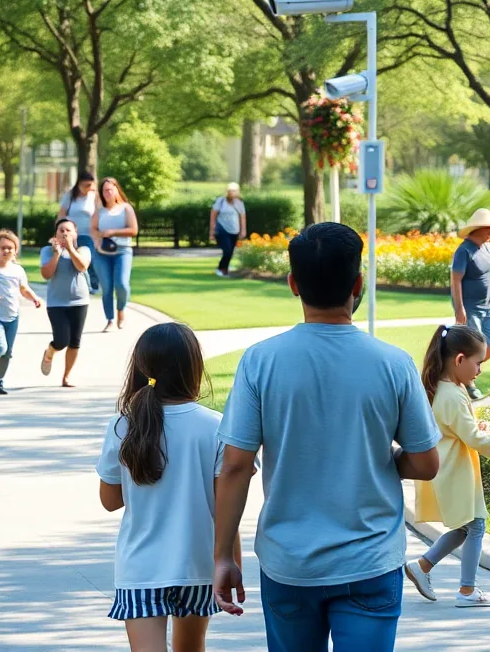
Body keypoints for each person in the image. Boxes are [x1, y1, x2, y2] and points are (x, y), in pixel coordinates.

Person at [212, 222, 441, 652]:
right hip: (370, 560)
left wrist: (223, 555)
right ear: (358, 284)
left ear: (293, 284)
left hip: (288, 563)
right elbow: (427, 463)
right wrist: (384, 457)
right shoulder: (394, 363)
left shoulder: (260, 362)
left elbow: (236, 465)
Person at [95, 322, 238, 652]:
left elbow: (109, 500)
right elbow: (226, 506)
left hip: (141, 568)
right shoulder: (215, 427)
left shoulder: (123, 425)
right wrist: (232, 565)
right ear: (193, 367)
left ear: (142, 367)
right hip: (198, 567)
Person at [404, 324, 490, 608]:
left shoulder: (446, 387)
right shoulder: (451, 394)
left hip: (452, 467)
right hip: (453, 469)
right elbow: (472, 436)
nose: (480, 370)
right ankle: (466, 590)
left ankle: (423, 566)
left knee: (467, 526)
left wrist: (478, 430)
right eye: (478, 363)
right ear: (460, 360)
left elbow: (462, 429)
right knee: (475, 526)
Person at [450, 208, 490, 401]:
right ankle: (468, 382)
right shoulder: (464, 251)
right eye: (489, 228)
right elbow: (455, 280)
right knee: (474, 347)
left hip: (489, 306)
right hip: (470, 307)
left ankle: (463, 369)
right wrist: (460, 309)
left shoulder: (487, 247)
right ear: (477, 229)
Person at [0, 230, 42, 395]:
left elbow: (24, 289)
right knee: (0, 348)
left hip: (13, 317)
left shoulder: (18, 270)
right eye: (3, 247)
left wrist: (34, 298)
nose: (7, 251)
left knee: (8, 352)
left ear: (15, 250)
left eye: (11, 248)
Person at [40, 218, 92, 387]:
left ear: (75, 233)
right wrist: (57, 253)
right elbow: (46, 274)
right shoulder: (47, 251)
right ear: (55, 234)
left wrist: (69, 248)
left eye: (68, 230)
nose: (65, 233)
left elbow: (82, 266)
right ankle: (49, 352)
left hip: (80, 301)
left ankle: (67, 376)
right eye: (61, 230)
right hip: (56, 303)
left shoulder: (83, 250)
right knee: (61, 340)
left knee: (75, 341)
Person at [91, 177, 138, 331]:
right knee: (107, 286)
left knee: (122, 284)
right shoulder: (100, 211)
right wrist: (97, 238)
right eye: (105, 190)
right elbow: (93, 228)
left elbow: (133, 230)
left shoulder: (126, 208)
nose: (108, 193)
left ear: (117, 190)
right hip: (102, 253)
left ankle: (121, 310)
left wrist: (113, 232)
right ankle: (110, 319)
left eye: (111, 189)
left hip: (122, 251)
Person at [58, 171, 100, 294]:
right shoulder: (70, 196)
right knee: (71, 259)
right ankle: (75, 284)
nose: (89, 188)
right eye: (86, 185)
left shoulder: (94, 196)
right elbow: (61, 214)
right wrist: (59, 232)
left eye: (91, 185)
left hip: (88, 234)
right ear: (79, 184)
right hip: (72, 235)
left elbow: (98, 214)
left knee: (89, 259)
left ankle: (93, 284)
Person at [209, 182, 247, 278]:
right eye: (230, 191)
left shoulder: (239, 203)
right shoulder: (221, 201)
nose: (231, 193)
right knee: (227, 250)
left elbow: (242, 217)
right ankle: (221, 269)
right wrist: (212, 231)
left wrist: (243, 230)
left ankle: (225, 267)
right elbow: (213, 216)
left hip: (234, 230)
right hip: (222, 229)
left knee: (231, 251)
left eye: (234, 191)